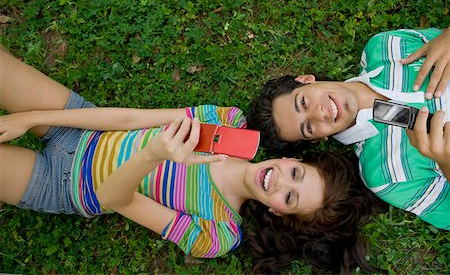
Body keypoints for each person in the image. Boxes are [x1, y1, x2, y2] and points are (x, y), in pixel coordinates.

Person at [0, 48, 378, 274]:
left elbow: (113, 198)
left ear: (279, 214)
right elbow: (130, 119)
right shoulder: (229, 123)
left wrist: (153, 155)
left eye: (290, 198)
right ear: (292, 159)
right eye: (296, 173)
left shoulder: (217, 233)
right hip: (88, 128)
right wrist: (33, 118)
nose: (280, 181)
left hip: (64, 183)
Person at [247, 27, 450, 230]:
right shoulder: (383, 174)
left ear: (306, 80)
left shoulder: (385, 47)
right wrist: (446, 161)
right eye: (308, 127)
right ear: (317, 139)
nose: (320, 113)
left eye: (304, 102)